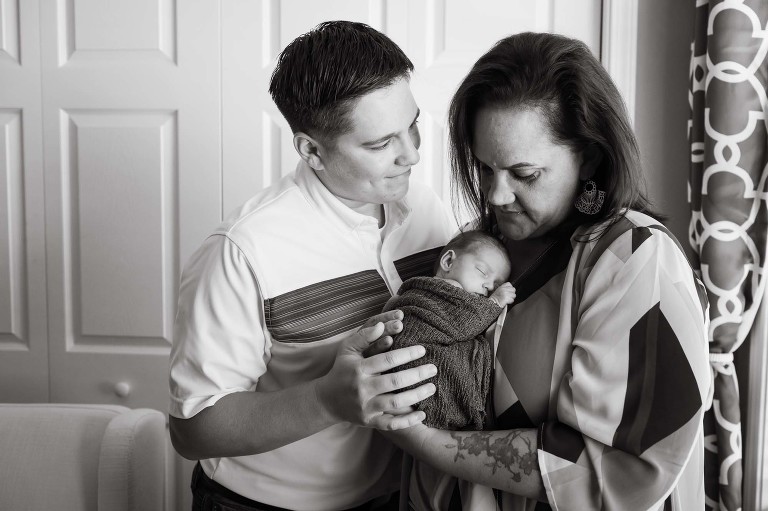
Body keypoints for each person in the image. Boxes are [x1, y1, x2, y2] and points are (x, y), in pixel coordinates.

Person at [385, 32, 711, 510]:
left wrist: (423, 440)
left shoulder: (635, 259)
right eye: (484, 168)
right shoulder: (481, 241)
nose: (496, 195)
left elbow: (619, 469)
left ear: (589, 158)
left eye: (525, 174)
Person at [168, 21, 457, 511]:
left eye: (412, 126)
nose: (411, 155)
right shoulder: (242, 250)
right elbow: (193, 430)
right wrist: (325, 400)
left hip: (406, 495)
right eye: (380, 144)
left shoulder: (426, 208)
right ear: (311, 150)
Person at [383, 230, 515, 431]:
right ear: (448, 261)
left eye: (496, 285)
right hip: (418, 374)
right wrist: (495, 302)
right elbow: (461, 323)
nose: (489, 286)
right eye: (482, 272)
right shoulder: (443, 290)